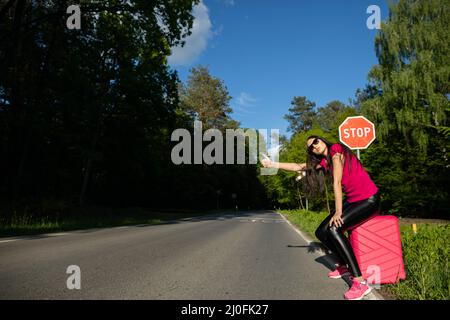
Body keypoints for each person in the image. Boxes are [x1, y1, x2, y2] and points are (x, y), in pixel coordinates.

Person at [261, 135, 380, 300]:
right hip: (353, 201)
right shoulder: (324, 162)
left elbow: (336, 183)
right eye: (310, 147)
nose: (314, 146)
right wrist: (273, 164)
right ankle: (344, 265)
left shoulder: (336, 151)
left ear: (322, 140)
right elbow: (299, 167)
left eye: (315, 142)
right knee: (321, 231)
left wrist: (338, 212)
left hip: (369, 199)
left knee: (334, 228)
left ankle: (360, 282)